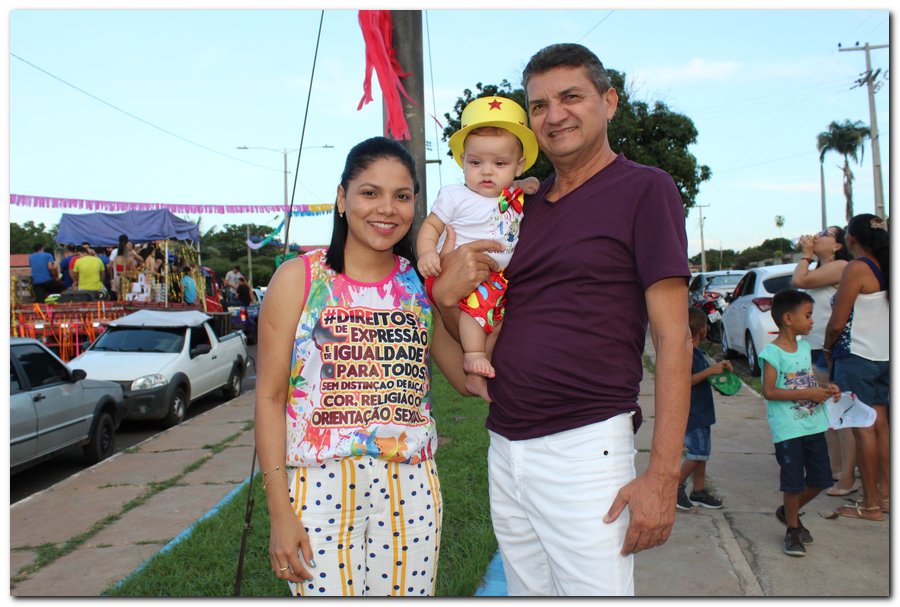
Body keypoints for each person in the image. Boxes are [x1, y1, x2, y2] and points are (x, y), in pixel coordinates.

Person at [431, 43, 691, 595]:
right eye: (539, 105)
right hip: (505, 446)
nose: (554, 115)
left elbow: (674, 338)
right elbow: (485, 325)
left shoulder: (645, 189)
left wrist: (663, 476)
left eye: (571, 97)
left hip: (585, 449)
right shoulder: (518, 208)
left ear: (609, 101)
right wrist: (445, 298)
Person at [254, 136, 470, 596]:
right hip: (319, 486)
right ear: (341, 197)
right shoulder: (299, 279)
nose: (386, 209)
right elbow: (270, 398)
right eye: (370, 192)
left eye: (402, 196)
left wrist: (458, 295)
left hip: (411, 483)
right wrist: (279, 509)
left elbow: (469, 379)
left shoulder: (421, 285)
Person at [416, 96, 539, 389]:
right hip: (458, 274)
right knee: (475, 316)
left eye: (499, 163)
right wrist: (425, 253)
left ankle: (479, 371)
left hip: (493, 278)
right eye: (476, 162)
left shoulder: (512, 197)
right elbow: (431, 225)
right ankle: (472, 358)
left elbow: (519, 191)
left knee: (497, 325)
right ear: (462, 162)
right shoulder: (455, 196)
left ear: (517, 166)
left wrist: (523, 184)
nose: (486, 171)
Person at [759, 289, 840, 556]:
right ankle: (793, 530)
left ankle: (787, 512)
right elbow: (769, 391)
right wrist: (809, 393)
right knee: (793, 482)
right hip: (788, 430)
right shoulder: (772, 353)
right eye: (807, 315)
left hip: (813, 424)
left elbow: (807, 382)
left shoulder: (804, 348)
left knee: (821, 478)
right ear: (788, 318)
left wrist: (825, 389)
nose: (812, 321)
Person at [825, 214, 890, 522]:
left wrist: (827, 348)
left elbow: (838, 321)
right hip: (885, 357)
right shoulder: (888, 266)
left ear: (851, 239)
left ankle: (871, 504)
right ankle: (886, 496)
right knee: (881, 426)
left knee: (862, 428)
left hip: (857, 357)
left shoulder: (858, 268)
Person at [791, 226, 857, 496]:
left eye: (826, 234)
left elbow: (800, 281)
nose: (818, 236)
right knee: (826, 413)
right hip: (816, 347)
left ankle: (847, 475)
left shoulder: (841, 266)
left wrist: (806, 255)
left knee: (841, 412)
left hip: (830, 348)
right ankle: (836, 466)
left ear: (838, 245)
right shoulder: (820, 268)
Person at [676, 307, 731, 511]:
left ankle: (698, 491)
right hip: (693, 412)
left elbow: (708, 374)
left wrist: (720, 369)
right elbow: (684, 381)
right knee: (697, 452)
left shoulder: (699, 352)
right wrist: (710, 371)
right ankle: (675, 487)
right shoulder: (686, 353)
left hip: (703, 411)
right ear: (702, 329)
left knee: (703, 454)